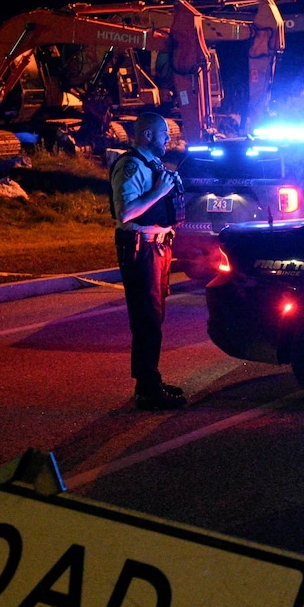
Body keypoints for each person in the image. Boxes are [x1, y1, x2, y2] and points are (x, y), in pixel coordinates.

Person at [111, 113, 187, 410]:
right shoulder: (130, 166)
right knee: (146, 320)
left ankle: (150, 381)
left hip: (158, 249)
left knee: (154, 318)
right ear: (147, 136)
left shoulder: (151, 165)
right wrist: (159, 192)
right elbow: (125, 213)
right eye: (164, 133)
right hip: (141, 250)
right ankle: (147, 389)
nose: (169, 138)